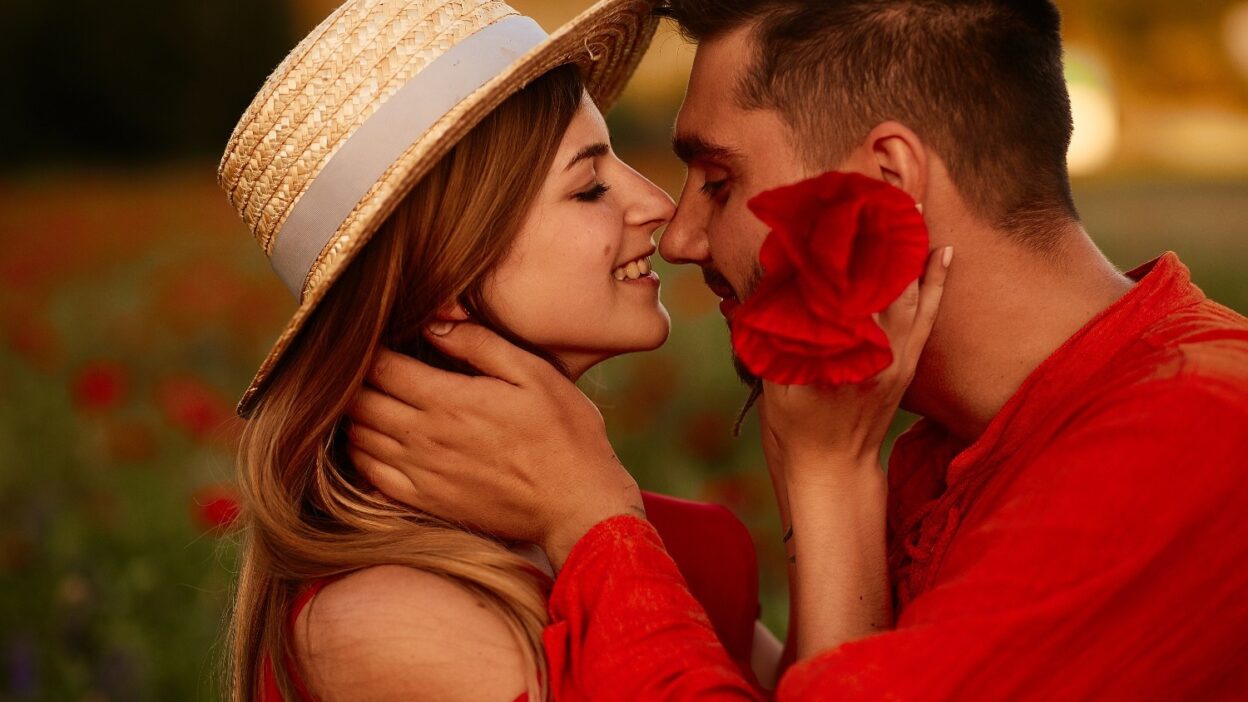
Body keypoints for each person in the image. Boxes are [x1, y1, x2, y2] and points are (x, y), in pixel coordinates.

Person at [347, 0, 1248, 699]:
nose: (678, 234)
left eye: (719, 180)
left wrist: (589, 517)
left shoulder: (1189, 441)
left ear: (884, 182)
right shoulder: (958, 447)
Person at [217, 0, 783, 700]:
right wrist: (596, 523)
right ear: (446, 278)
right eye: (589, 188)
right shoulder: (388, 620)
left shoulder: (652, 532)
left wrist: (821, 466)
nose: (657, 205)